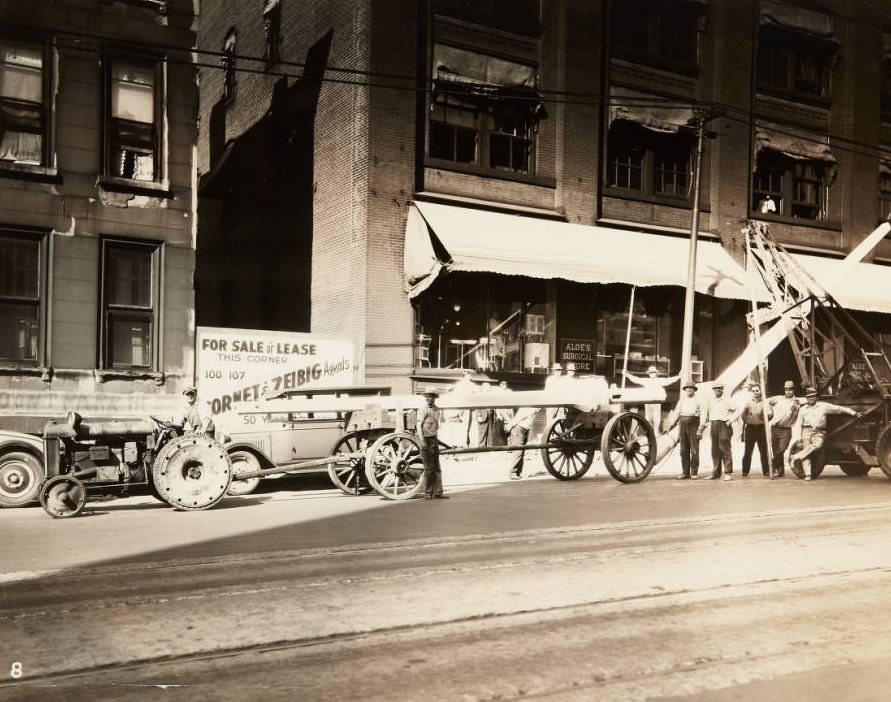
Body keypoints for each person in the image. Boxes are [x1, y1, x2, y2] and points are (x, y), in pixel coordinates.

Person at [791, 387, 859, 481]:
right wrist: (798, 437)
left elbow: (838, 409)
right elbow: (798, 424)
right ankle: (808, 474)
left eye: (813, 396)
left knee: (818, 445)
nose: (811, 398)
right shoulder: (803, 409)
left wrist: (853, 412)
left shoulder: (823, 406)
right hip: (806, 431)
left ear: (816, 397)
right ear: (806, 398)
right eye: (809, 397)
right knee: (807, 452)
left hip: (819, 431)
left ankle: (797, 456)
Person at [623, 365, 680, 433]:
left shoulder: (659, 380)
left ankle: (656, 433)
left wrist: (678, 376)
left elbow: (669, 380)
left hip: (656, 402)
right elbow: (636, 380)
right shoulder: (646, 381)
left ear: (656, 373)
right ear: (649, 374)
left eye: (653, 372)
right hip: (648, 401)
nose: (652, 374)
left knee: (657, 419)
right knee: (648, 418)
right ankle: (649, 434)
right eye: (651, 372)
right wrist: (627, 374)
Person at [665, 381, 705, 479]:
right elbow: (676, 413)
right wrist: (670, 425)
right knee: (683, 450)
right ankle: (685, 472)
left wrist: (700, 428)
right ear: (685, 390)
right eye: (687, 388)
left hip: (694, 424)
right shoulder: (682, 400)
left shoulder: (699, 400)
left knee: (694, 450)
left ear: (694, 390)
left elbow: (703, 414)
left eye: (691, 388)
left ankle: (694, 472)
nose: (689, 389)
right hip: (682, 425)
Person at [702, 381, 739, 480]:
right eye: (716, 388)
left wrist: (731, 420)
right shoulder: (711, 400)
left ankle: (728, 472)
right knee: (715, 449)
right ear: (713, 390)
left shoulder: (727, 400)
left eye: (720, 388)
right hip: (714, 424)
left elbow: (738, 409)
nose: (718, 390)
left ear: (723, 389)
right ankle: (716, 473)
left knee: (724, 448)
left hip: (724, 425)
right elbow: (706, 412)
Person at [416, 391, 445, 499]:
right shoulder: (423, 409)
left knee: (437, 467)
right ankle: (428, 492)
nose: (428, 398)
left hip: (434, 439)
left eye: (430, 396)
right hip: (426, 440)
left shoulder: (437, 409)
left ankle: (438, 492)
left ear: (434, 398)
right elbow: (418, 425)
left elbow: (436, 426)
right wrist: (422, 441)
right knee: (428, 469)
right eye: (426, 396)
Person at [768, 380, 800, 478]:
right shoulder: (778, 399)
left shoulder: (797, 401)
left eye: (790, 390)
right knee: (775, 449)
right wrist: (770, 410)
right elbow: (766, 402)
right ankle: (780, 471)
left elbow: (808, 400)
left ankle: (771, 465)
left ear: (794, 390)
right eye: (787, 390)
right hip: (774, 428)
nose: (788, 392)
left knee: (781, 449)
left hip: (786, 429)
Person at [741, 383, 772, 477]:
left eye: (757, 390)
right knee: (748, 451)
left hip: (761, 428)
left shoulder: (765, 403)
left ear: (760, 391)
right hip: (750, 429)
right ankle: (745, 471)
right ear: (751, 392)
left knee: (763, 451)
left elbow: (770, 415)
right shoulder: (748, 403)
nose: (755, 392)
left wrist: (766, 416)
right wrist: (748, 421)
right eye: (753, 391)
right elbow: (743, 415)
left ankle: (766, 470)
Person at [505, 405, 537, 479]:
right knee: (518, 452)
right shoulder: (527, 408)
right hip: (518, 429)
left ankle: (518, 473)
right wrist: (510, 426)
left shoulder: (534, 410)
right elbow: (517, 419)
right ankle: (513, 473)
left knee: (521, 452)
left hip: (524, 430)